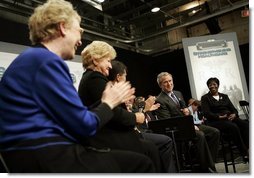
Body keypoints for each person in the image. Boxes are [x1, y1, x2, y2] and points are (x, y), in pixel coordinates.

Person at [0, 0, 156, 173]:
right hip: (48, 157)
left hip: (29, 156)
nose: (80, 41)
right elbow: (84, 126)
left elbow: (74, 120)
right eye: (79, 31)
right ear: (62, 27)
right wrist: (109, 103)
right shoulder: (47, 62)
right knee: (142, 164)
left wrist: (107, 102)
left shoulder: (32, 59)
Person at [78, 40, 161, 172]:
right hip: (106, 138)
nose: (110, 66)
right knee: (151, 149)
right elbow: (112, 112)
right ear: (95, 60)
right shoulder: (95, 78)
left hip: (108, 135)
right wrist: (135, 117)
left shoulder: (90, 78)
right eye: (108, 61)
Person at [108, 60, 177, 173]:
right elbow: (127, 120)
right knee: (164, 142)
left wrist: (146, 109)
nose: (126, 80)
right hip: (126, 136)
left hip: (132, 132)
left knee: (158, 143)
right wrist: (145, 108)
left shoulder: (113, 92)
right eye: (125, 76)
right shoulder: (115, 94)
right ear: (119, 77)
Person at [154, 72, 217, 173]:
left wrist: (186, 111)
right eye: (165, 82)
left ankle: (206, 162)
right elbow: (168, 122)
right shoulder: (160, 100)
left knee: (214, 132)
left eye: (170, 81)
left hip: (188, 123)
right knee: (200, 135)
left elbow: (183, 109)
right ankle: (206, 168)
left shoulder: (178, 93)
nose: (169, 84)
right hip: (177, 129)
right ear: (160, 85)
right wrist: (189, 126)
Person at [201, 77, 249, 160]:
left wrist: (234, 114)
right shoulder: (205, 98)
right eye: (210, 85)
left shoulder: (225, 96)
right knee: (233, 126)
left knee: (245, 124)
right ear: (208, 87)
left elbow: (233, 109)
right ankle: (244, 152)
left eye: (214, 84)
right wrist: (219, 117)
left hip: (229, 118)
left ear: (218, 85)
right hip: (215, 121)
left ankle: (249, 148)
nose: (212, 86)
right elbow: (207, 113)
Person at [187, 98, 220, 163]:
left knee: (215, 132)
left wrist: (200, 121)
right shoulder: (188, 110)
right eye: (196, 107)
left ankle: (211, 159)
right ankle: (203, 161)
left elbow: (195, 120)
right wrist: (199, 122)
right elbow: (190, 121)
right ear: (193, 105)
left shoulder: (195, 111)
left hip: (197, 125)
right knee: (201, 135)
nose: (197, 109)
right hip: (191, 127)